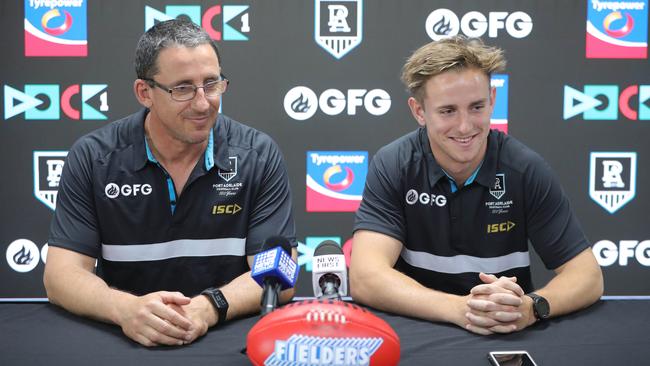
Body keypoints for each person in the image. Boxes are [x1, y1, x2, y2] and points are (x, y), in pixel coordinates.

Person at [43, 19, 297, 347]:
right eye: (183, 88)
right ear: (144, 92)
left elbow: (280, 277)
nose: (203, 102)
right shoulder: (94, 158)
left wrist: (209, 307)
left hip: (227, 339)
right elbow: (60, 276)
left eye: (212, 83)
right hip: (126, 339)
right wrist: (126, 309)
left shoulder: (257, 155)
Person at [349, 36, 603, 335]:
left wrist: (533, 307)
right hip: (416, 330)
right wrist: (460, 308)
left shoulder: (524, 168)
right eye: (447, 111)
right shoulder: (394, 164)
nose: (466, 126)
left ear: (493, 99)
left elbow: (588, 275)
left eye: (477, 106)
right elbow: (365, 277)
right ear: (419, 111)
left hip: (506, 331)